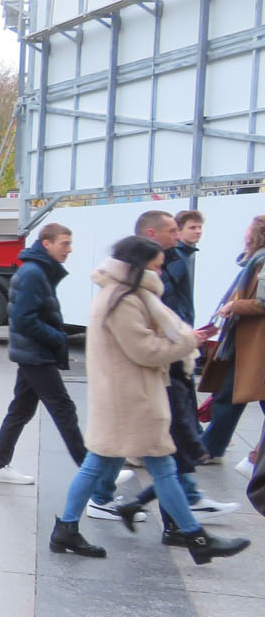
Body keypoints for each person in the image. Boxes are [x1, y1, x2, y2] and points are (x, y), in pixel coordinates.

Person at [49, 236, 249, 564]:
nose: (161, 267)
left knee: (106, 464)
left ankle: (68, 528)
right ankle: (194, 536)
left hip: (124, 396)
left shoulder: (123, 294)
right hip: (132, 398)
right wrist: (186, 344)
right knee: (161, 466)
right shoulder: (123, 299)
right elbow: (144, 350)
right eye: (157, 263)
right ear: (140, 265)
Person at [109, 210, 236, 530]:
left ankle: (177, 522)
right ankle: (186, 525)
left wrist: (186, 340)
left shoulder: (159, 271)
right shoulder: (132, 292)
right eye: (176, 229)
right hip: (160, 374)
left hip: (165, 371)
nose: (182, 234)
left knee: (169, 453)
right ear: (151, 238)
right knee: (169, 451)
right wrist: (185, 342)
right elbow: (148, 341)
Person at [0, 223, 86, 485]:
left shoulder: (38, 271)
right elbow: (24, 319)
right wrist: (58, 338)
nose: (69, 249)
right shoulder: (32, 273)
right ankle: (92, 472)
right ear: (46, 243)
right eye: (64, 243)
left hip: (32, 354)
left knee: (20, 410)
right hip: (35, 354)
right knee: (63, 408)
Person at [199, 215, 265, 463]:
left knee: (238, 392)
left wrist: (235, 306)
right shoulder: (254, 261)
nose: (244, 236)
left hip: (255, 342)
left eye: (247, 232)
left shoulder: (263, 260)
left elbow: (263, 302)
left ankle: (211, 449)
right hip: (246, 340)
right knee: (228, 393)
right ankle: (210, 448)